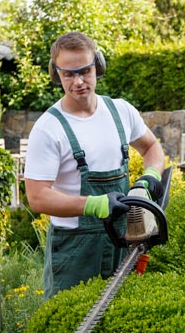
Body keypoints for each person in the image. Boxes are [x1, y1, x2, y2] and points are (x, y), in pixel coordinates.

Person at [24, 31, 165, 300]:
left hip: (124, 240)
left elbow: (151, 147)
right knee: (67, 328)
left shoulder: (121, 111)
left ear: (97, 66)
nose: (78, 81)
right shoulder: (49, 128)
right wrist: (94, 204)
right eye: (68, 74)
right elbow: (37, 197)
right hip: (75, 250)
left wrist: (149, 178)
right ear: (57, 75)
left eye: (85, 71)